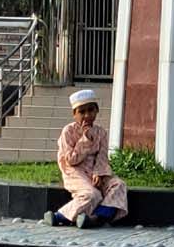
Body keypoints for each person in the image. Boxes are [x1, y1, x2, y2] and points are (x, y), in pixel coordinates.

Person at [51, 89, 129, 229]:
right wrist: (85, 139)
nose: (87, 115)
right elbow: (71, 159)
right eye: (82, 112)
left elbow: (102, 157)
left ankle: (97, 217)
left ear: (96, 110)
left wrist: (98, 173)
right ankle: (59, 216)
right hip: (75, 171)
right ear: (74, 114)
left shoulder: (101, 132)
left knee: (118, 185)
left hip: (95, 172)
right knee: (92, 195)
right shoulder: (68, 131)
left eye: (91, 110)